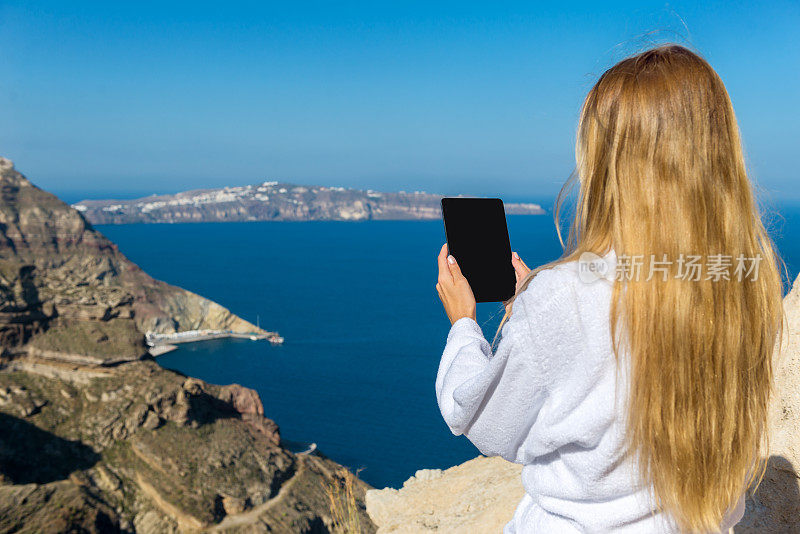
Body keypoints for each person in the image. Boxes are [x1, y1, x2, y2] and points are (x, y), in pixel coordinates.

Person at [434, 44, 784, 533]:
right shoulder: (747, 275)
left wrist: (465, 323)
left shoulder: (565, 297)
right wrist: (539, 302)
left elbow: (476, 416)